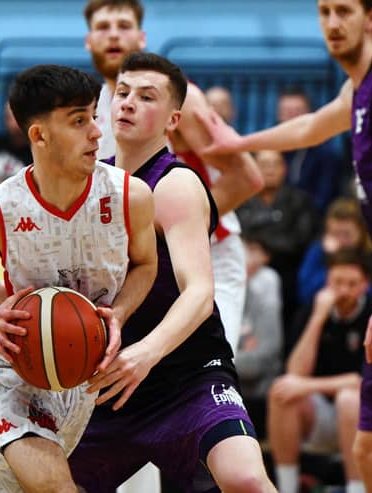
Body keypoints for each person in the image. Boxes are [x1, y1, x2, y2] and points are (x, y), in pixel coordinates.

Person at [0, 64, 158, 493]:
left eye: (95, 116)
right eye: (79, 121)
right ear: (39, 136)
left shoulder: (130, 196)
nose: (97, 133)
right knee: (56, 488)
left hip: (83, 375)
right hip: (16, 374)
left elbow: (146, 265)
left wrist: (117, 312)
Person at [202, 1, 372, 491]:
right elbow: (309, 127)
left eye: (344, 10)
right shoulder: (358, 88)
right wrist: (236, 144)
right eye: (324, 11)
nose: (332, 23)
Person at [68, 52, 276, 493]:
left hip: (187, 375)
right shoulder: (89, 185)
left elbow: (200, 293)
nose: (127, 103)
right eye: (122, 93)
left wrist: (146, 354)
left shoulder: (175, 184)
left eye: (146, 97)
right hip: (109, 382)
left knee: (246, 479)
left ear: (172, 119)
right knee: (28, 479)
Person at [84, 0, 263, 358]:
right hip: (138, 260)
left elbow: (246, 178)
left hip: (207, 248)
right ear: (89, 41)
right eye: (104, 27)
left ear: (142, 37)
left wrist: (166, 225)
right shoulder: (92, 105)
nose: (114, 34)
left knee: (203, 363)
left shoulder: (184, 101)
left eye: (124, 25)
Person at [268, 248, 372, 493]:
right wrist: (318, 317)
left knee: (349, 399)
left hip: (367, 419)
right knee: (281, 392)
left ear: (366, 284)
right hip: (321, 417)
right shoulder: (312, 311)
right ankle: (286, 487)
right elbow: (295, 374)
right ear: (327, 282)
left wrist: (308, 386)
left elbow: (365, 381)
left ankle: (356, 489)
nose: (344, 291)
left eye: (352, 284)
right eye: (337, 282)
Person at [236, 149, 318, 327]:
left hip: (288, 275)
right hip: (247, 272)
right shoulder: (240, 200)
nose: (270, 170)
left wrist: (260, 245)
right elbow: (237, 235)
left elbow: (301, 240)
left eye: (275, 164)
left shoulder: (299, 200)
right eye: (264, 165)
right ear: (253, 168)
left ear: (284, 169)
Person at [235, 234, 284, 439]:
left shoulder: (265, 291)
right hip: (223, 391)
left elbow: (262, 361)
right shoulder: (208, 296)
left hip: (257, 395)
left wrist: (227, 360)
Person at [275, 87, 343, 215]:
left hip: (312, 219)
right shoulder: (270, 149)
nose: (292, 117)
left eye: (298, 112)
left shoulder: (325, 153)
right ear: (279, 115)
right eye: (287, 112)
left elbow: (326, 196)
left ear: (310, 114)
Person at [297, 197, 372, 309]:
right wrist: (332, 259)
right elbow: (305, 294)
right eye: (335, 234)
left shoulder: (369, 253)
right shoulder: (319, 250)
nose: (341, 241)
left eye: (347, 234)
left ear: (361, 232)